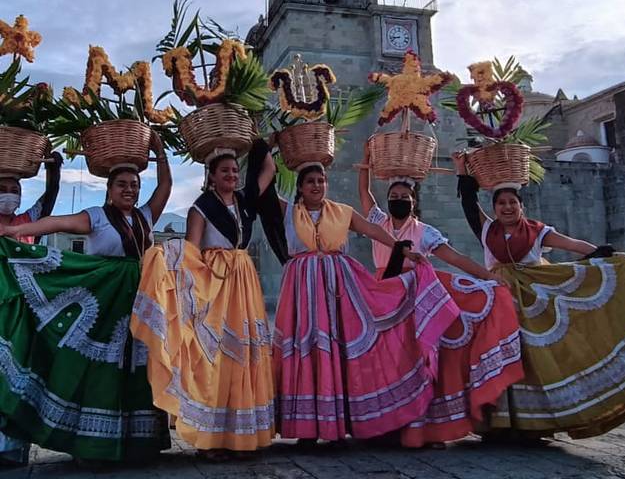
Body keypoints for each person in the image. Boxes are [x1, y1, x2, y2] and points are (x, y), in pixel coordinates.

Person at [454, 151, 625, 441]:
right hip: (498, 301)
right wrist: (462, 168)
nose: (507, 207)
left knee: (533, 360)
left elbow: (573, 244)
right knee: (498, 355)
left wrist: (604, 253)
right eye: (501, 203)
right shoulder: (487, 230)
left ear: (522, 206)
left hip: (533, 306)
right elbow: (468, 202)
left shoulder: (538, 232)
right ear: (495, 208)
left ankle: (537, 421)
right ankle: (498, 420)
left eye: (513, 202)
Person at [0, 133, 171, 464]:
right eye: (121, 184)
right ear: (109, 189)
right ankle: (94, 447)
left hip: (138, 303)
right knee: (101, 371)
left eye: (134, 184)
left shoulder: (145, 217)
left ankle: (139, 445)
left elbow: (164, 187)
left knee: (137, 369)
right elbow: (54, 222)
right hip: (103, 304)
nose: (129, 190)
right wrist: (14, 232)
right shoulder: (96, 216)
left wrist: (160, 152)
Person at [266, 157, 460, 445]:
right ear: (301, 187)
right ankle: (306, 429)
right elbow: (264, 189)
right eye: (310, 182)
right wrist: (266, 149)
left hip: (336, 287)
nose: (317, 186)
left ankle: (336, 424)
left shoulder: (343, 212)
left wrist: (403, 252)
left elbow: (374, 231)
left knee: (336, 349)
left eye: (321, 181)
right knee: (306, 347)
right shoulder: (288, 213)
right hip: (301, 289)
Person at [358, 143, 523, 448]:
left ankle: (423, 427)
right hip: (382, 296)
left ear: (413, 201)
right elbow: (364, 193)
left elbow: (456, 258)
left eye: (404, 198)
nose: (398, 201)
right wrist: (367, 159)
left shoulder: (424, 232)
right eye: (393, 198)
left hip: (416, 300)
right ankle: (386, 423)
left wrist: (489, 278)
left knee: (419, 360)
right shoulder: (378, 222)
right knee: (385, 361)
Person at [131, 140, 276, 462]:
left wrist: (260, 141)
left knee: (245, 357)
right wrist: (164, 258)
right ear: (211, 176)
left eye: (235, 170)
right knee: (216, 359)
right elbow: (191, 250)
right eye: (225, 171)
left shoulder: (243, 201)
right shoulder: (201, 207)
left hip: (244, 281)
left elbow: (269, 169)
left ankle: (242, 436)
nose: (232, 175)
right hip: (215, 284)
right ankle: (211, 439)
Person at [0, 150, 62, 467]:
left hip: (22, 312)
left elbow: (49, 198)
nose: (10, 195)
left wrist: (55, 168)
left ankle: (13, 448)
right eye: (4, 189)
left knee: (20, 379)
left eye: (16, 190)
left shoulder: (27, 222)